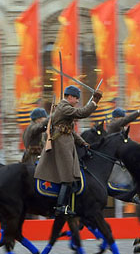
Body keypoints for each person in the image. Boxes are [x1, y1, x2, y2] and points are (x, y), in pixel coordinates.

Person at [34, 85, 102, 216]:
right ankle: (60, 206)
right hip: (61, 145)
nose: (77, 101)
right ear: (69, 97)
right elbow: (82, 113)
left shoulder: (65, 108)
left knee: (72, 175)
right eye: (76, 98)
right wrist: (95, 101)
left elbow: (70, 131)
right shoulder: (64, 107)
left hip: (66, 143)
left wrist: (82, 142)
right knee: (68, 176)